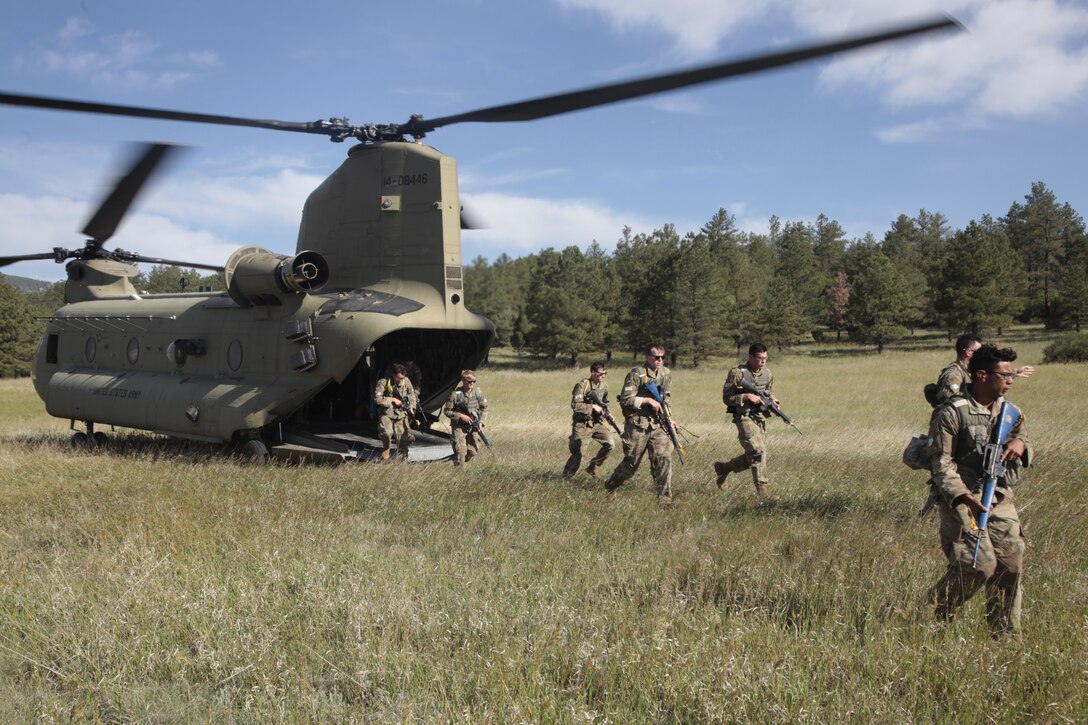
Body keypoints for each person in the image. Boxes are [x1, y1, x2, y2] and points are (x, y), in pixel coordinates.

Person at [925, 344, 1031, 638]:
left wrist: (1020, 446)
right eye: (1005, 374)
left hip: (998, 495)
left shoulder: (1010, 411)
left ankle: (1004, 635)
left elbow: (1021, 436)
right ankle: (931, 613)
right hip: (961, 498)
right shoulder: (952, 413)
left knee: (1010, 563)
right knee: (978, 565)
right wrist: (963, 497)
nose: (1011, 379)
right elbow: (941, 463)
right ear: (982, 375)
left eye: (1012, 374)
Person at [603, 344, 674, 504]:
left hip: (658, 424)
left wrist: (669, 417)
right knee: (631, 463)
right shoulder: (637, 374)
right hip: (638, 425)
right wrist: (647, 400)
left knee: (663, 460)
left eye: (662, 357)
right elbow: (625, 399)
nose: (660, 360)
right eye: (656, 357)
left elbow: (666, 397)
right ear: (647, 357)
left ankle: (665, 501)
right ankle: (611, 485)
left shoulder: (666, 373)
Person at [713, 342, 780, 501]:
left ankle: (724, 468)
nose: (763, 362)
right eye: (759, 358)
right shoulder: (737, 373)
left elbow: (767, 393)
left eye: (765, 358)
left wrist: (774, 401)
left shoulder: (767, 374)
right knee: (758, 451)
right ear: (750, 357)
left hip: (760, 417)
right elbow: (726, 398)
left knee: (754, 456)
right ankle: (763, 492)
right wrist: (745, 397)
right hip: (744, 417)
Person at [933, 333, 1033, 405]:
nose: (984, 353)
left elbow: (990, 376)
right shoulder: (954, 374)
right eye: (979, 350)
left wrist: (1013, 373)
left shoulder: (968, 370)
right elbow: (950, 402)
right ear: (969, 352)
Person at [562, 361, 616, 479]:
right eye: (601, 373)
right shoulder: (582, 385)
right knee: (578, 455)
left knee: (610, 444)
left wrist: (608, 414)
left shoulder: (604, 386)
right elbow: (576, 405)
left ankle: (593, 467)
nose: (603, 376)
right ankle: (566, 477)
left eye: (605, 373)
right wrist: (592, 407)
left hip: (597, 423)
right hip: (582, 424)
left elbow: (605, 403)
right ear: (593, 373)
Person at [442, 369, 489, 465]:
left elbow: (484, 408)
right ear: (463, 381)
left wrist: (481, 422)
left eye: (474, 381)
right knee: (461, 452)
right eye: (469, 382)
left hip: (473, 425)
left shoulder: (477, 392)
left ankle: (457, 460)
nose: (472, 384)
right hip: (459, 426)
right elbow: (447, 411)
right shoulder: (455, 394)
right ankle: (459, 468)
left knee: (473, 451)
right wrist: (460, 416)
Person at [373, 362, 416, 461]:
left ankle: (401, 461)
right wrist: (392, 400)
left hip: (400, 414)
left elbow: (412, 395)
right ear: (393, 375)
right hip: (387, 413)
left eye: (402, 378)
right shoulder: (383, 382)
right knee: (387, 433)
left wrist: (412, 407)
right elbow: (377, 399)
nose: (401, 381)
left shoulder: (406, 381)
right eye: (398, 378)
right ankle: (385, 457)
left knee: (402, 439)